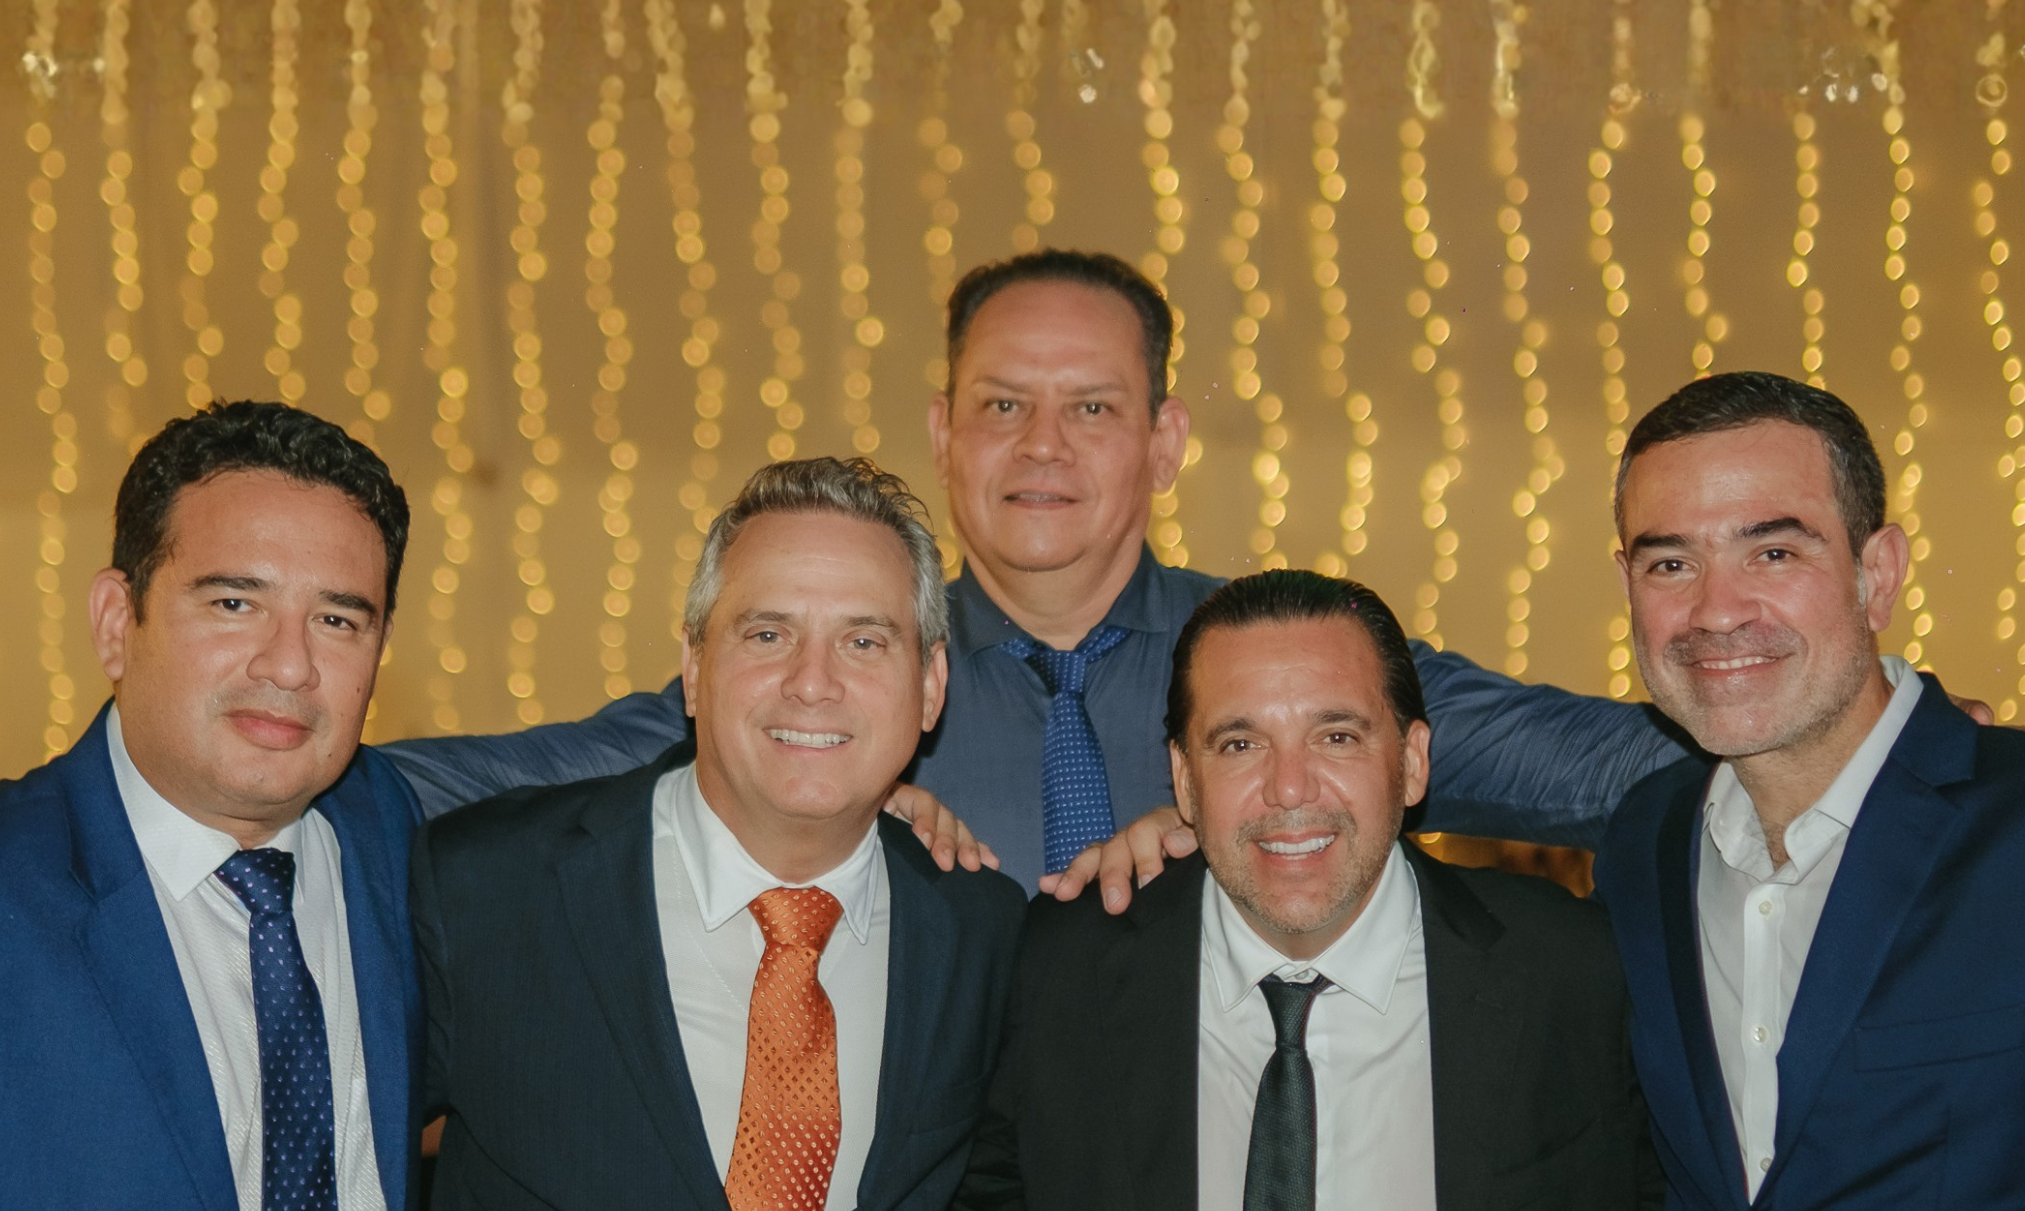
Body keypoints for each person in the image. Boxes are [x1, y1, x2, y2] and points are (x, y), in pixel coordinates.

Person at [389, 249, 1694, 892]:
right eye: (1003, 406)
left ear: (1165, 441)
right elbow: (508, 785)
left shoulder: (1288, 671)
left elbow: (1613, 774)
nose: (1042, 449)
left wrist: (1259, 818)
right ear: (943, 433)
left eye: (1092, 409)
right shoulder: (836, 689)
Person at [933, 570, 1655, 1211]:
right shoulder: (1065, 969)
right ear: (1182, 780)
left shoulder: (1568, 972)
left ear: (1413, 760)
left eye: (1336, 736)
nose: (1287, 789)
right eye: (1238, 744)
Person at [411, 458, 1029, 1211]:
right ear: (694, 666)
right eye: (766, 633)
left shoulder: (984, 936)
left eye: (865, 640)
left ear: (930, 685)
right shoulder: (485, 887)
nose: (814, 682)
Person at [1593, 373, 2025, 1211]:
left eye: (1773, 551)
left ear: (1877, 573)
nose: (1715, 610)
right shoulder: (1643, 841)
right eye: (1669, 563)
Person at [0, 402, 426, 1211]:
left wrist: (877, 783)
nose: (289, 665)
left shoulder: (388, 836)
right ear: (116, 620)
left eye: (339, 619)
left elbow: (607, 755)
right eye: (234, 602)